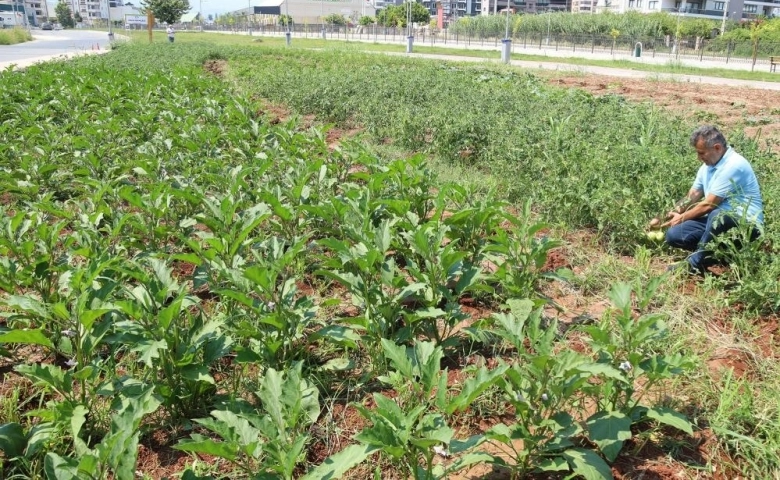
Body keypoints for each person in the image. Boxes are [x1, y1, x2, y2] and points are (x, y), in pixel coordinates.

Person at [659, 125, 763, 275]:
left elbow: (709, 204)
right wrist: (664, 217)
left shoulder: (734, 165)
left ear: (717, 147)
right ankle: (717, 257)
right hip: (718, 224)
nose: (699, 157)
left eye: (701, 153)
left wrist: (681, 217)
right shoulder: (706, 167)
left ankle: (693, 264)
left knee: (717, 214)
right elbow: (692, 196)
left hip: (746, 227)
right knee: (674, 234)